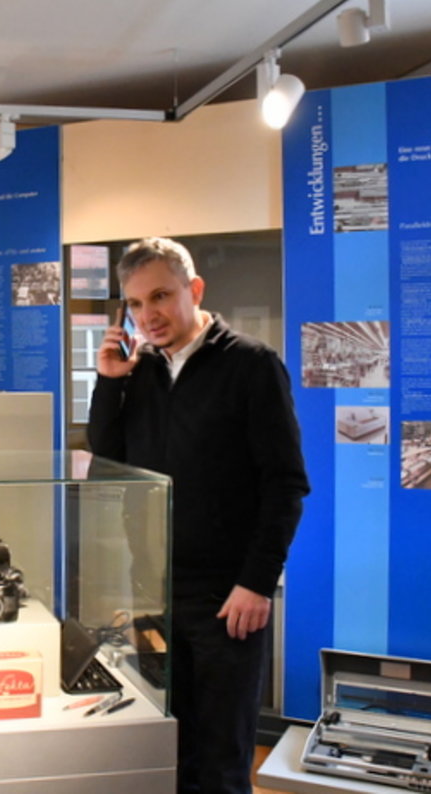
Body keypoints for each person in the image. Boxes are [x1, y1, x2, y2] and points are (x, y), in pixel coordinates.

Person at [87, 237, 309, 794]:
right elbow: (108, 460)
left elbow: (285, 485)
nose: (147, 315)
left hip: (226, 600)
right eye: (134, 304)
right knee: (167, 749)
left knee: (222, 760)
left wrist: (257, 583)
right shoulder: (141, 373)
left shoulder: (252, 365)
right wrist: (108, 381)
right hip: (153, 593)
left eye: (160, 296)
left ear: (196, 290)